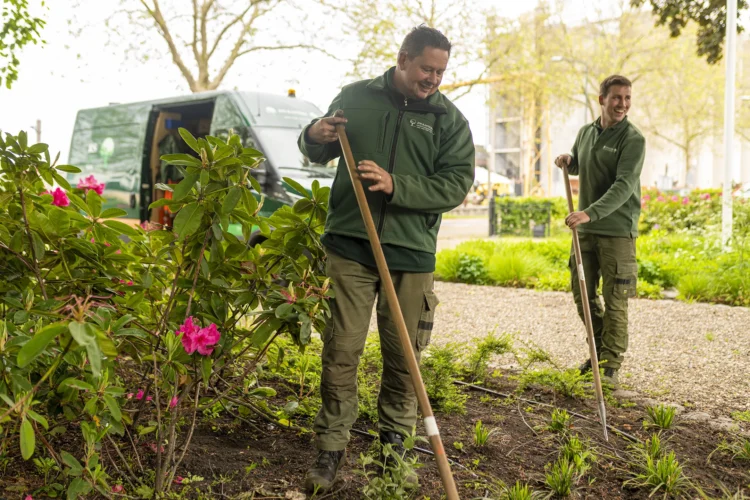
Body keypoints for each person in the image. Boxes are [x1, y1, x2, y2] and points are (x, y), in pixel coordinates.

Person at [297, 25, 475, 492]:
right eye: (426, 68)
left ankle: (393, 453)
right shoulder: (355, 98)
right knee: (340, 352)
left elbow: (455, 184)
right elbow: (318, 148)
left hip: (411, 253)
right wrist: (314, 134)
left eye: (440, 71)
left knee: (404, 360)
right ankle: (330, 450)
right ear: (402, 59)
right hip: (350, 246)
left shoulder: (448, 121)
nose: (433, 79)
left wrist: (398, 185)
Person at [554, 74, 645, 388]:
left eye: (627, 98)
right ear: (601, 99)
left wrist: (589, 213)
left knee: (615, 298)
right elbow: (582, 163)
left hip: (616, 231)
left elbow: (623, 186)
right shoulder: (586, 132)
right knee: (582, 293)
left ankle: (609, 365)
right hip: (586, 228)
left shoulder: (633, 139)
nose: (623, 104)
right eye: (617, 97)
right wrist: (569, 160)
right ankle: (600, 351)